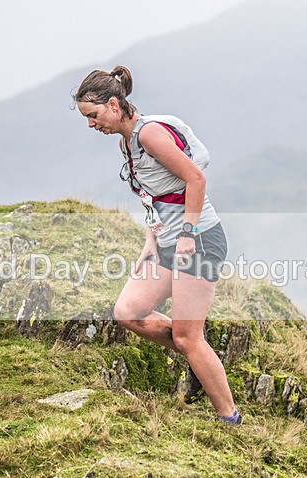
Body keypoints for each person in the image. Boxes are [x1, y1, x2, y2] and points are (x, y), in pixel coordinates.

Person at [74, 66, 242, 425]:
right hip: (168, 243)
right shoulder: (126, 142)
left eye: (93, 115)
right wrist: (151, 238)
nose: (91, 124)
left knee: (187, 336)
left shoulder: (149, 134)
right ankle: (197, 355)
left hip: (198, 240)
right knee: (128, 312)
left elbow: (196, 179)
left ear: (114, 105)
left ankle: (230, 418)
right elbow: (154, 194)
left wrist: (187, 233)